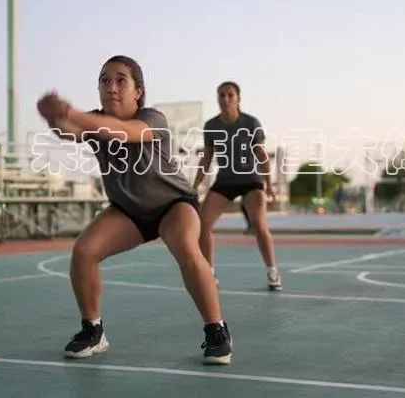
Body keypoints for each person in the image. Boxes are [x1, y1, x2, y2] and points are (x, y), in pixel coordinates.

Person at [36, 55, 233, 365]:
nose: (111, 87)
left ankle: (217, 330)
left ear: (138, 91)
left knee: (184, 246)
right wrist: (52, 117)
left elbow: (116, 131)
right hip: (128, 211)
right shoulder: (93, 120)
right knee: (84, 251)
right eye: (104, 81)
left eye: (120, 80)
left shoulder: (152, 119)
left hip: (174, 205)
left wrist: (68, 112)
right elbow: (69, 130)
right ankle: (93, 330)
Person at [193, 81, 282, 291]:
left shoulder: (251, 123)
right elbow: (206, 159)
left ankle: (273, 272)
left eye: (230, 95)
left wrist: (268, 185)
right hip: (225, 182)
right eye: (222, 95)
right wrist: (195, 185)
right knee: (203, 226)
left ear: (238, 99)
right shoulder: (211, 126)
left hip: (251, 181)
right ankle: (210, 273)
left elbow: (262, 156)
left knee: (259, 225)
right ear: (217, 99)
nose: (226, 99)